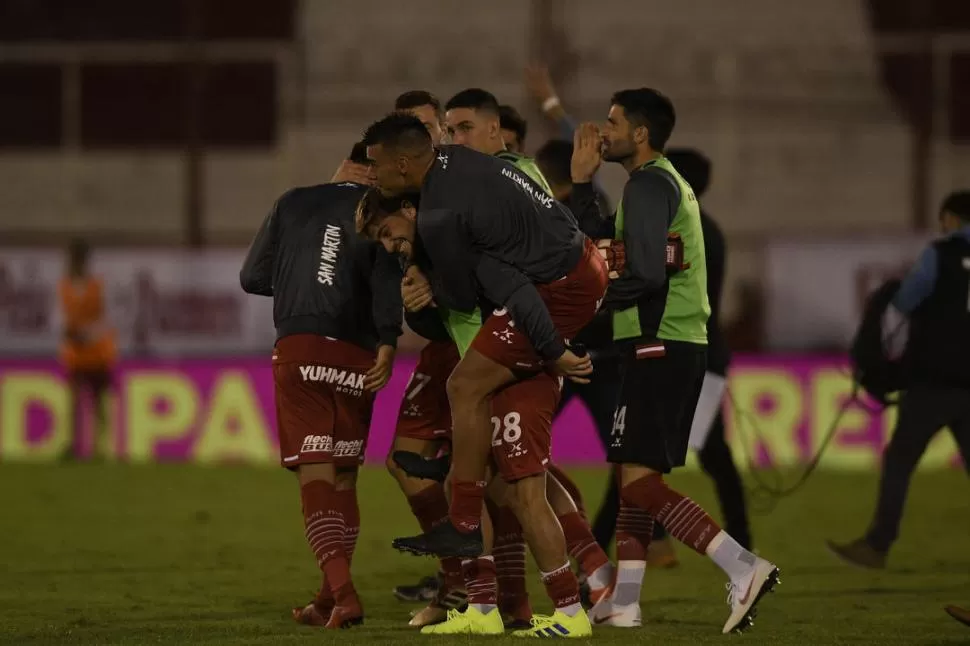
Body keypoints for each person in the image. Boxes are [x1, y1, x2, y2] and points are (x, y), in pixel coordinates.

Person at [358, 112, 608, 637]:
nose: (371, 170)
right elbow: (491, 280)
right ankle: (499, 601)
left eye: (376, 163)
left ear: (404, 166)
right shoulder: (459, 167)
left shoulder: (441, 216)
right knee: (516, 484)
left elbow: (506, 290)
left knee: (468, 393)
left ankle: (470, 528)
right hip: (575, 265)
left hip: (562, 290)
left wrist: (553, 350)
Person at [585, 88, 778, 634]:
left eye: (613, 121)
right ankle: (625, 602)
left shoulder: (648, 185)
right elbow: (652, 264)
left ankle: (742, 567)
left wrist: (593, 298)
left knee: (640, 485)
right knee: (634, 478)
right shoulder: (664, 184)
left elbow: (645, 273)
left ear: (640, 133)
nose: (605, 130)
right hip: (667, 342)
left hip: (659, 343)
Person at [239, 142, 403, 629]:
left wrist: (298, 279)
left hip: (302, 347)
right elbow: (388, 287)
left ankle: (346, 595)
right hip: (358, 354)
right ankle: (327, 598)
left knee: (315, 475)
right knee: (345, 476)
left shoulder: (293, 201)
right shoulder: (384, 215)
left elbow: (252, 276)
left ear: (347, 165)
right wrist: (389, 340)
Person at [590, 149, 754, 569]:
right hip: (704, 353)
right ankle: (625, 572)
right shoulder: (708, 229)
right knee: (699, 458)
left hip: (677, 351)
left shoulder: (683, 228)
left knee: (639, 466)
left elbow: (653, 278)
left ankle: (597, 551)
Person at [828, 190, 970, 569]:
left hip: (932, 383)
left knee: (900, 461)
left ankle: (877, 545)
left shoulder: (940, 254)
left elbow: (905, 302)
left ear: (952, 219)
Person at [59, 239, 116, 460]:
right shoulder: (64, 286)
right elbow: (61, 318)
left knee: (99, 402)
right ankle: (73, 444)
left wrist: (89, 334)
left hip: (98, 352)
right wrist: (67, 333)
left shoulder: (98, 286)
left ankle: (101, 448)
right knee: (74, 401)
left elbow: (108, 319)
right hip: (75, 354)